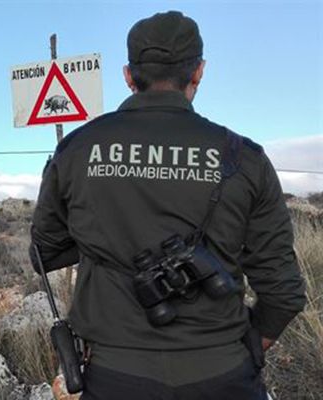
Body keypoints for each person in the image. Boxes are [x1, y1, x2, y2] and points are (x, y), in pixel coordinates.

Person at [29, 11, 306, 400]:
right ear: (199, 72)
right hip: (223, 370)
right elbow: (283, 292)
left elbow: (43, 253)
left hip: (116, 374)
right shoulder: (243, 157)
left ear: (129, 75)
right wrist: (247, 349)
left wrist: (105, 237)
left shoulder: (76, 149)